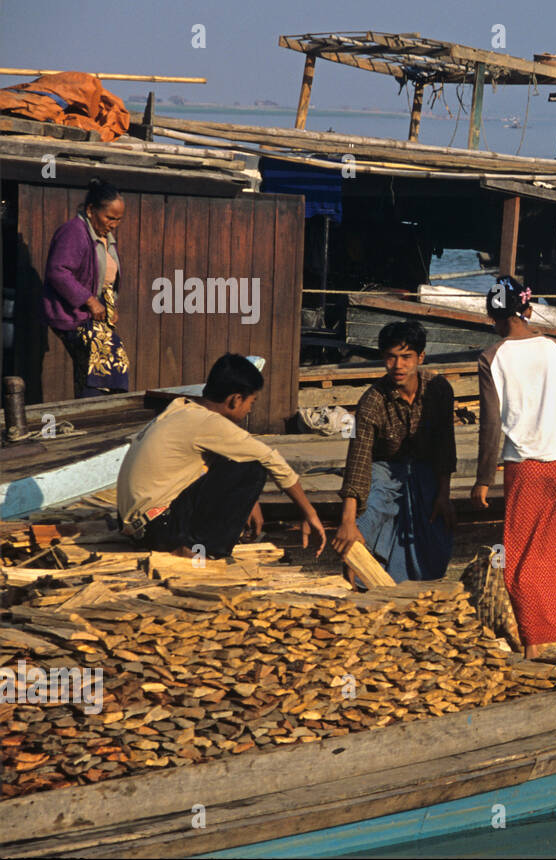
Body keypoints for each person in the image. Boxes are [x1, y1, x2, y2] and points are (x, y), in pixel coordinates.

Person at [472, 276, 556, 659]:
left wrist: (483, 479)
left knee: (520, 558)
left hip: (525, 468)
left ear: (492, 316)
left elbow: (491, 425)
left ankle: (533, 646)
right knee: (554, 552)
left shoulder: (491, 358)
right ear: (527, 311)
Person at [117, 354, 327, 559]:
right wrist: (309, 513)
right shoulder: (208, 423)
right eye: (251, 403)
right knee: (253, 466)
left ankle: (192, 542)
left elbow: (223, 461)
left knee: (239, 459)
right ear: (235, 399)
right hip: (159, 530)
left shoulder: (181, 408)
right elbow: (271, 459)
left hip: (139, 528)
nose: (250, 410)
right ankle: (200, 549)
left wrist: (249, 504)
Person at [331, 320, 456, 584]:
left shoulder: (439, 390)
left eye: (406, 357)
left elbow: (445, 447)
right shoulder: (372, 401)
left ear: (420, 357)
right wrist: (348, 521)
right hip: (384, 468)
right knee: (371, 509)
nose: (398, 366)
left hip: (424, 468)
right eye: (391, 357)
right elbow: (358, 460)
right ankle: (358, 567)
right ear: (383, 358)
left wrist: (444, 494)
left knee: (434, 521)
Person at [41, 178, 131, 398]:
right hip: (74, 315)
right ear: (91, 210)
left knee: (109, 362)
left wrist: (109, 306)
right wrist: (90, 301)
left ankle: (100, 410)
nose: (114, 224)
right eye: (110, 217)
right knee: (99, 361)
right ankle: (90, 413)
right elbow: (58, 271)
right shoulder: (75, 232)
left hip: (95, 316)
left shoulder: (104, 237)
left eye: (118, 219)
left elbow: (105, 279)